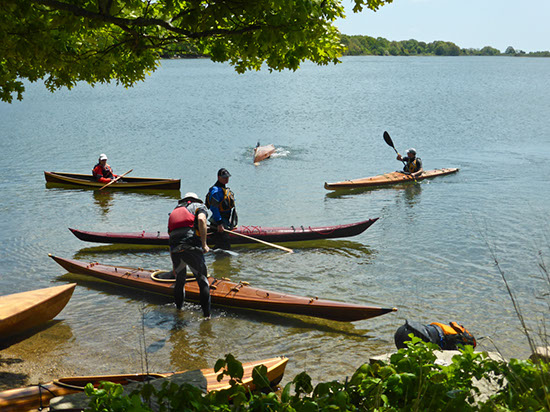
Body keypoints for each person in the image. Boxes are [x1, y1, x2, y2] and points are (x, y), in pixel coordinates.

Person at [168, 192, 211, 318]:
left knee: (180, 281)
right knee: (203, 281)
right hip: (191, 247)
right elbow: (202, 219)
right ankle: (207, 318)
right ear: (195, 200)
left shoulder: (175, 211)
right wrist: (204, 244)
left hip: (176, 250)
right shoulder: (199, 207)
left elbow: (170, 238)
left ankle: (179, 313)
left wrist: (173, 266)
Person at [205, 168, 237, 250]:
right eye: (224, 177)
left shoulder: (224, 189)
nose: (226, 179)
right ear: (219, 177)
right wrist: (219, 223)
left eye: (227, 177)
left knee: (223, 246)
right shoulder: (216, 191)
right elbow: (214, 208)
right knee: (224, 247)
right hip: (218, 223)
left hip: (225, 221)